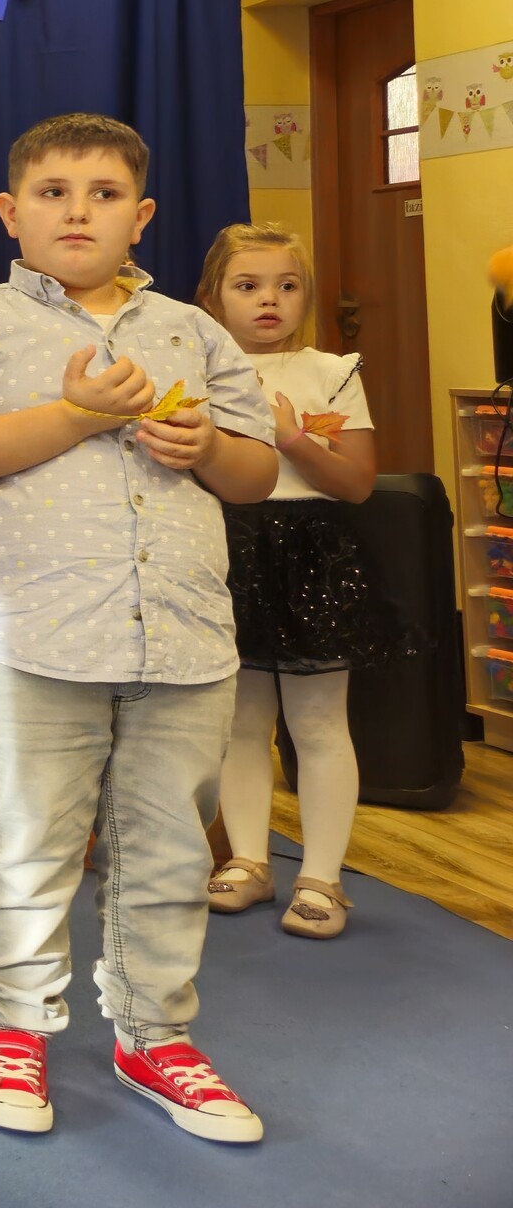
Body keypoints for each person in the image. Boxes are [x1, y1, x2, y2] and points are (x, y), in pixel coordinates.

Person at [0, 113, 278, 1144]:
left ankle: (153, 1033)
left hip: (182, 633)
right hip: (30, 633)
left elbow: (255, 474)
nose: (77, 211)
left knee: (168, 849)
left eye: (104, 193)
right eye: (53, 192)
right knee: (29, 842)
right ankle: (14, 1026)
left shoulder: (191, 330)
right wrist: (78, 416)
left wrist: (207, 447)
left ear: (142, 215)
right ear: (9, 212)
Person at [196, 222, 381, 940]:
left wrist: (292, 436)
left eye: (287, 285)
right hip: (226, 548)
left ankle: (322, 877)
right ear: (213, 297)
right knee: (241, 721)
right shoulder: (201, 368)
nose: (269, 300)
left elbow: (357, 482)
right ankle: (249, 859)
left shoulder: (332, 370)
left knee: (319, 723)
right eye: (248, 286)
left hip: (311, 551)